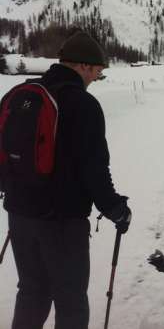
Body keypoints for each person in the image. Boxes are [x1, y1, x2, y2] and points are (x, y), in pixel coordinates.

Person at [0, 31, 131, 329]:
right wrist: (116, 209)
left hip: (19, 215)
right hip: (62, 222)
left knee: (32, 292)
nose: (96, 77)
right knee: (70, 300)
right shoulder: (83, 104)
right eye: (97, 71)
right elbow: (94, 168)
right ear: (83, 66)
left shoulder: (23, 94)